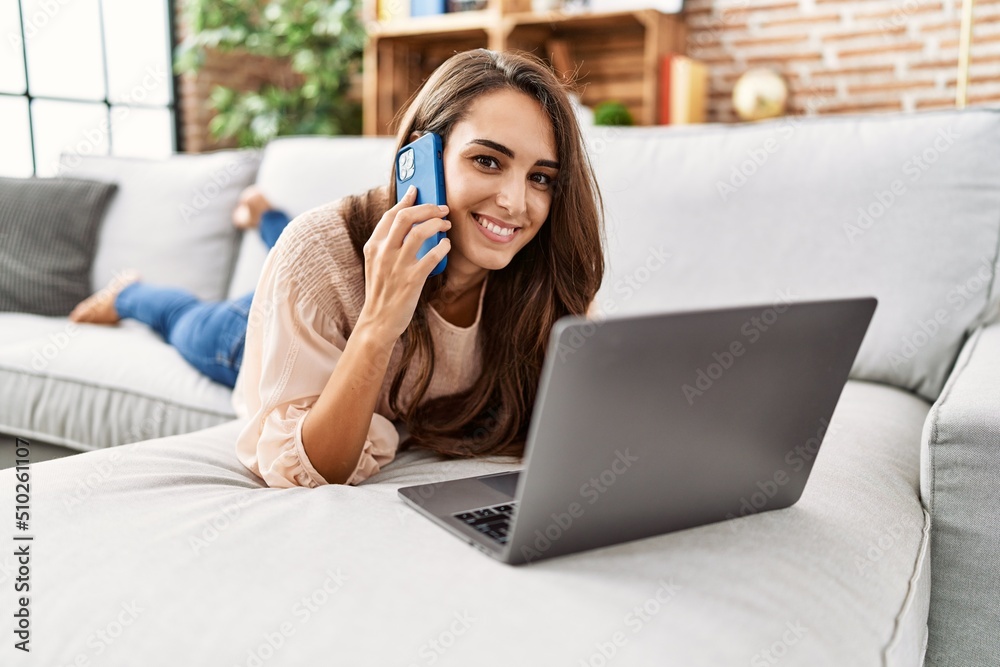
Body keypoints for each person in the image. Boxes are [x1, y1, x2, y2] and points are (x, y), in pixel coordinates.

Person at [233, 48, 606, 488]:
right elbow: (309, 470)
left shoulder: (542, 269)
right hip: (256, 331)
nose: (515, 203)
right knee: (189, 321)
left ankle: (263, 216)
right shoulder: (316, 254)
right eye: (487, 161)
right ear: (420, 159)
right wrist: (377, 326)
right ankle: (133, 294)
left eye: (540, 177)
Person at [68, 186, 291, 389]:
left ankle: (266, 216)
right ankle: (126, 294)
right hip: (257, 333)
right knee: (179, 316)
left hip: (285, 309)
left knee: (300, 266)